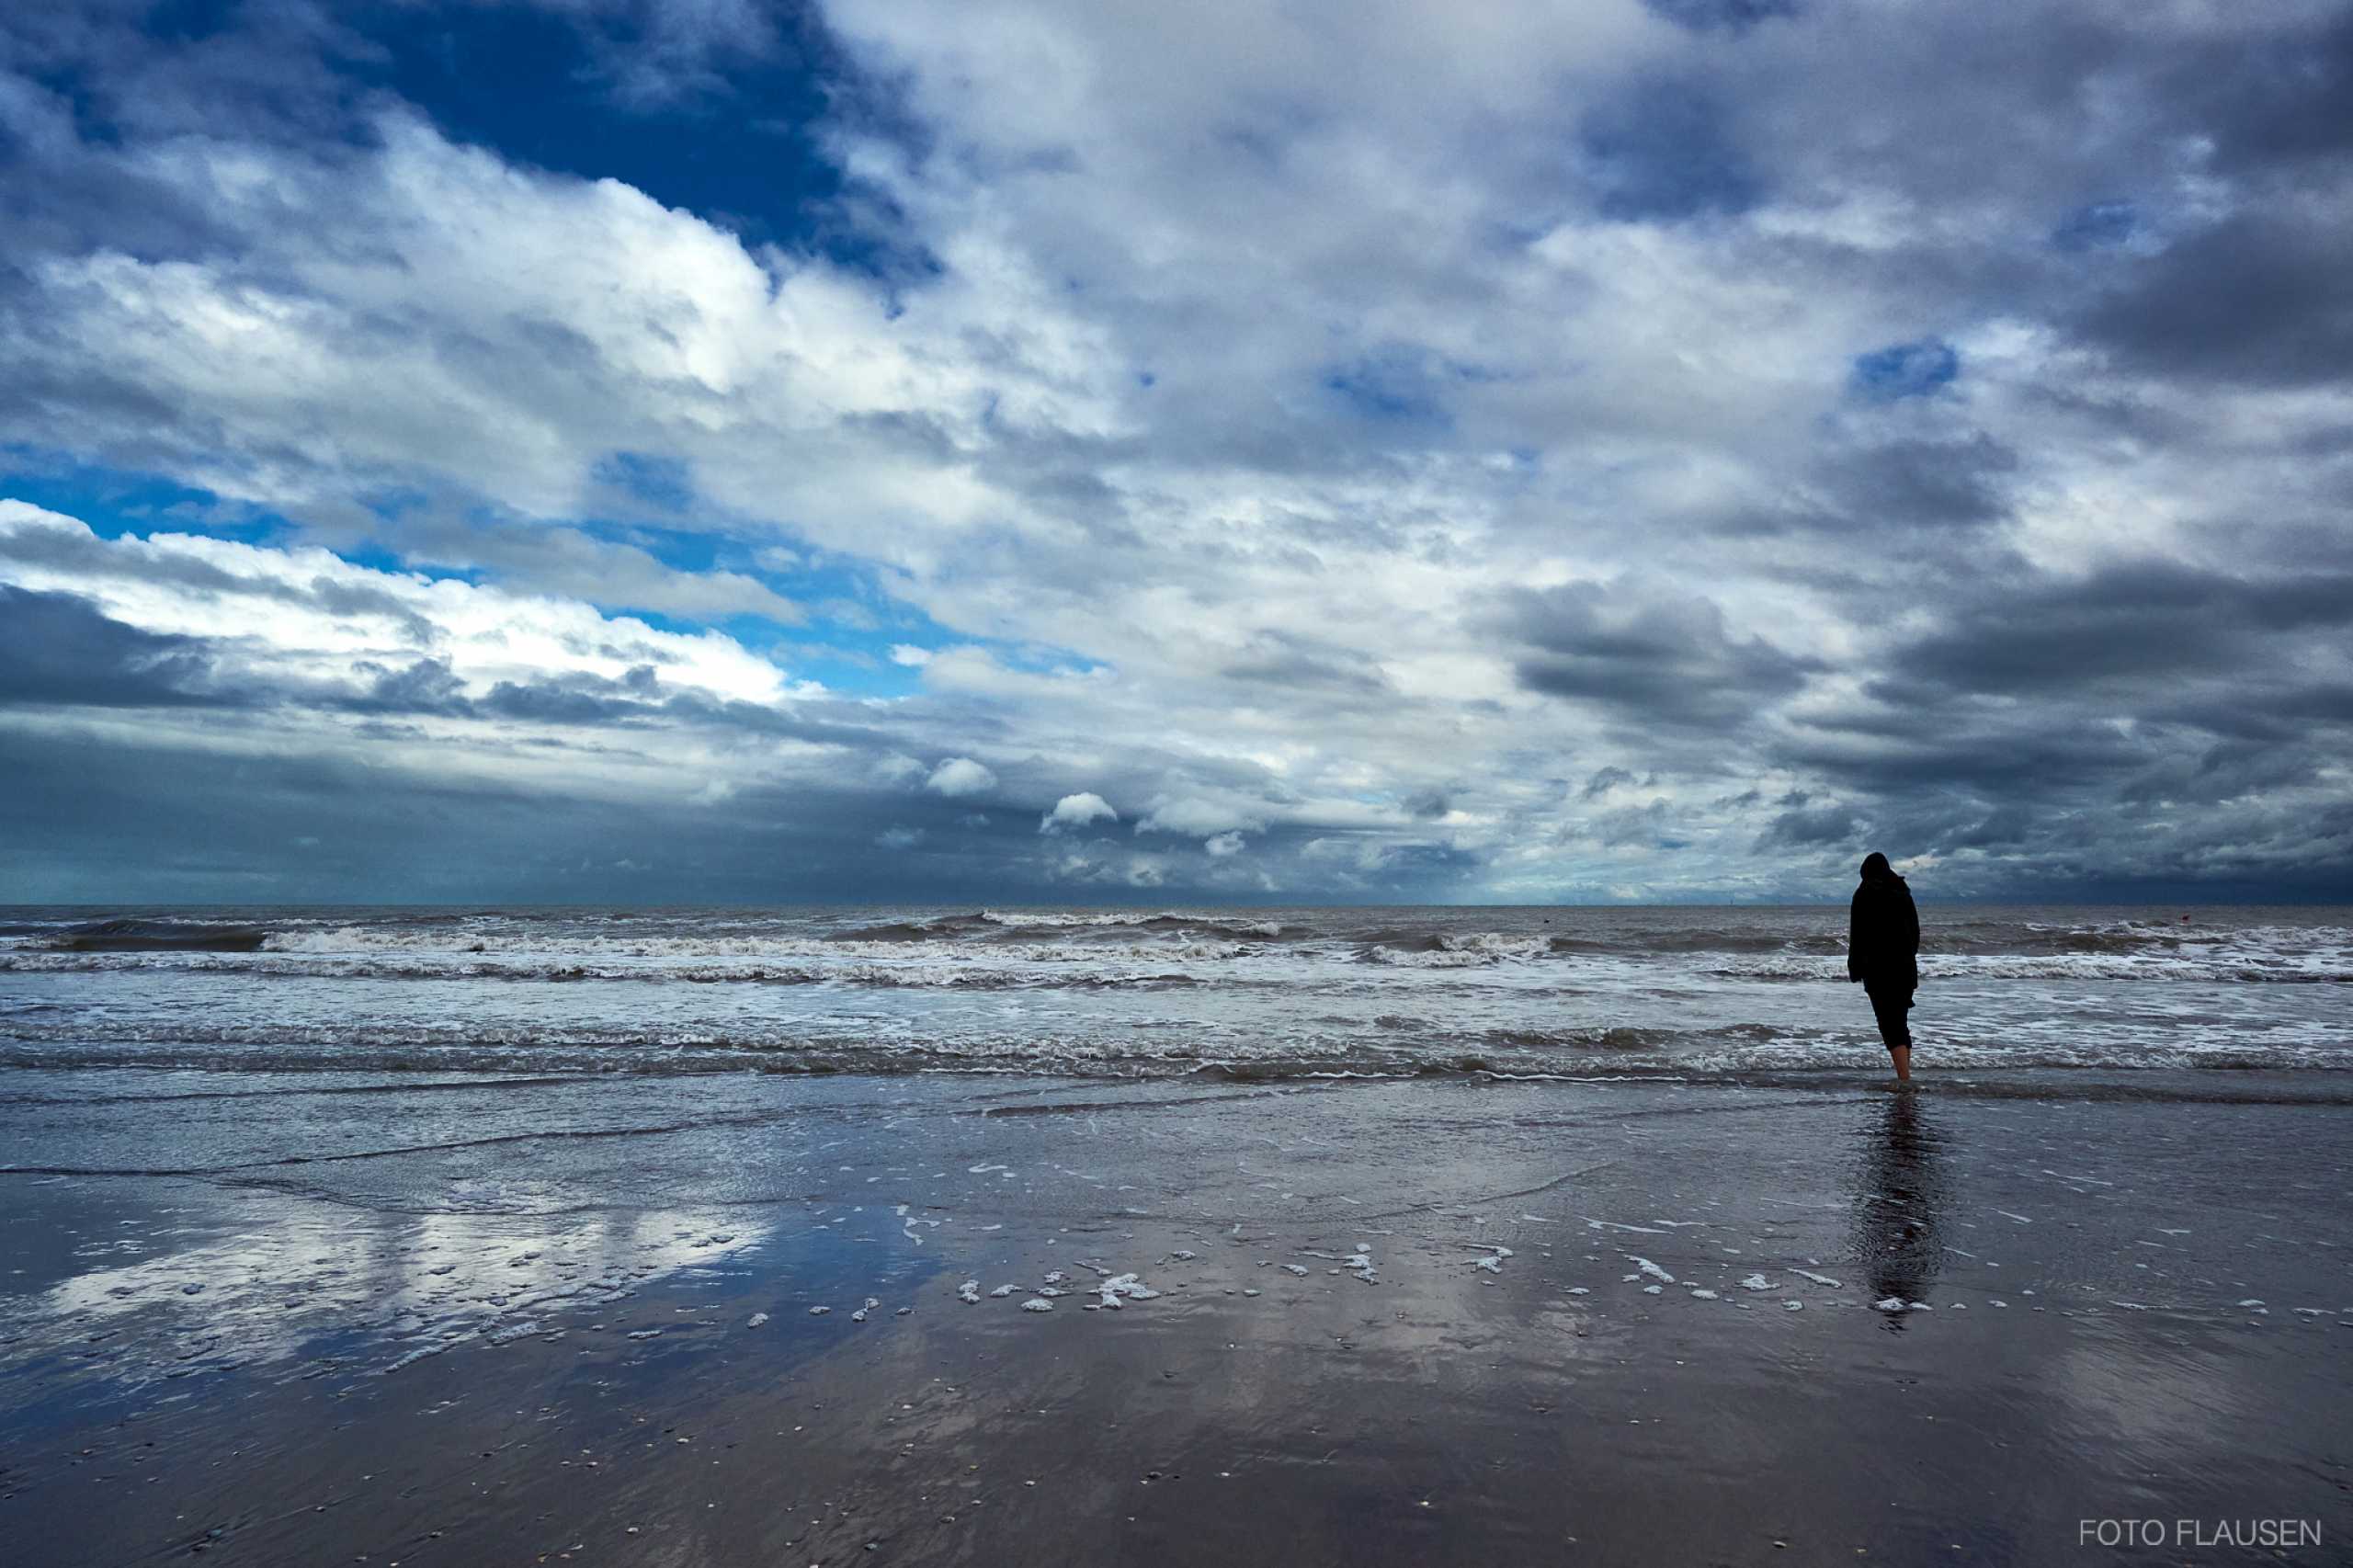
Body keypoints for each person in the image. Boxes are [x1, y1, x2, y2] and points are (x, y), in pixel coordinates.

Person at [1847, 851, 1919, 1083]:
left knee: (1889, 1025)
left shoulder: (1864, 894)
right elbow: (1915, 933)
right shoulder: (1903, 893)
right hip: (1905, 969)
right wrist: (1908, 957)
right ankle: (1904, 1077)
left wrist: (1855, 969)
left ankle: (1904, 1080)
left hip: (1878, 970)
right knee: (1900, 1023)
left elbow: (1857, 935)